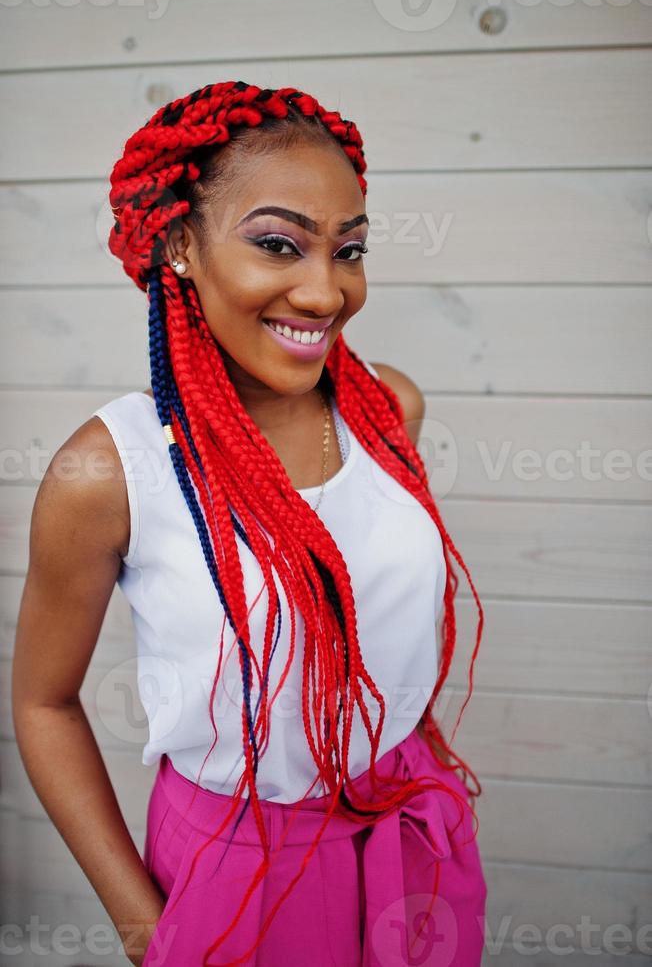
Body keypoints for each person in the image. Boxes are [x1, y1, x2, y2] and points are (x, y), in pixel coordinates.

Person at [12, 81, 488, 966]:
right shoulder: (111, 470)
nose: (324, 292)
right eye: (278, 245)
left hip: (406, 821)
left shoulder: (388, 409)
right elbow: (43, 703)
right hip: (238, 863)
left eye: (348, 250)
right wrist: (145, 927)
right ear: (181, 246)